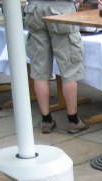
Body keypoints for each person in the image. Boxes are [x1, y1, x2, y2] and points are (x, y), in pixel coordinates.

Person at [24, 0, 92, 134]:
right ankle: (73, 120)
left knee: (39, 70)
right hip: (61, 9)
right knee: (70, 69)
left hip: (34, 9)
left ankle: (46, 120)